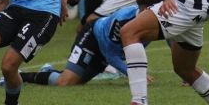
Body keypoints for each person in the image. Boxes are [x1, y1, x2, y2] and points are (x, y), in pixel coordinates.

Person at [17, 5, 146, 86]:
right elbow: (111, 56)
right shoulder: (122, 19)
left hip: (105, 50)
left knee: (77, 82)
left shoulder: (152, 24)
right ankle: (20, 76)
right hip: (92, 37)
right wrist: (134, 73)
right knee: (65, 82)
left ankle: (48, 72)